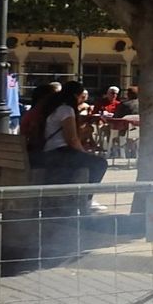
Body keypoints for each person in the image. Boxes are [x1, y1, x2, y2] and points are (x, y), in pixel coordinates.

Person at [40, 80, 109, 210]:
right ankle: (87, 199)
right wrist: (83, 152)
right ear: (76, 95)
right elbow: (71, 139)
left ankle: (76, 199)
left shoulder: (54, 108)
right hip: (60, 152)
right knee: (99, 164)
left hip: (50, 151)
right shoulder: (66, 110)